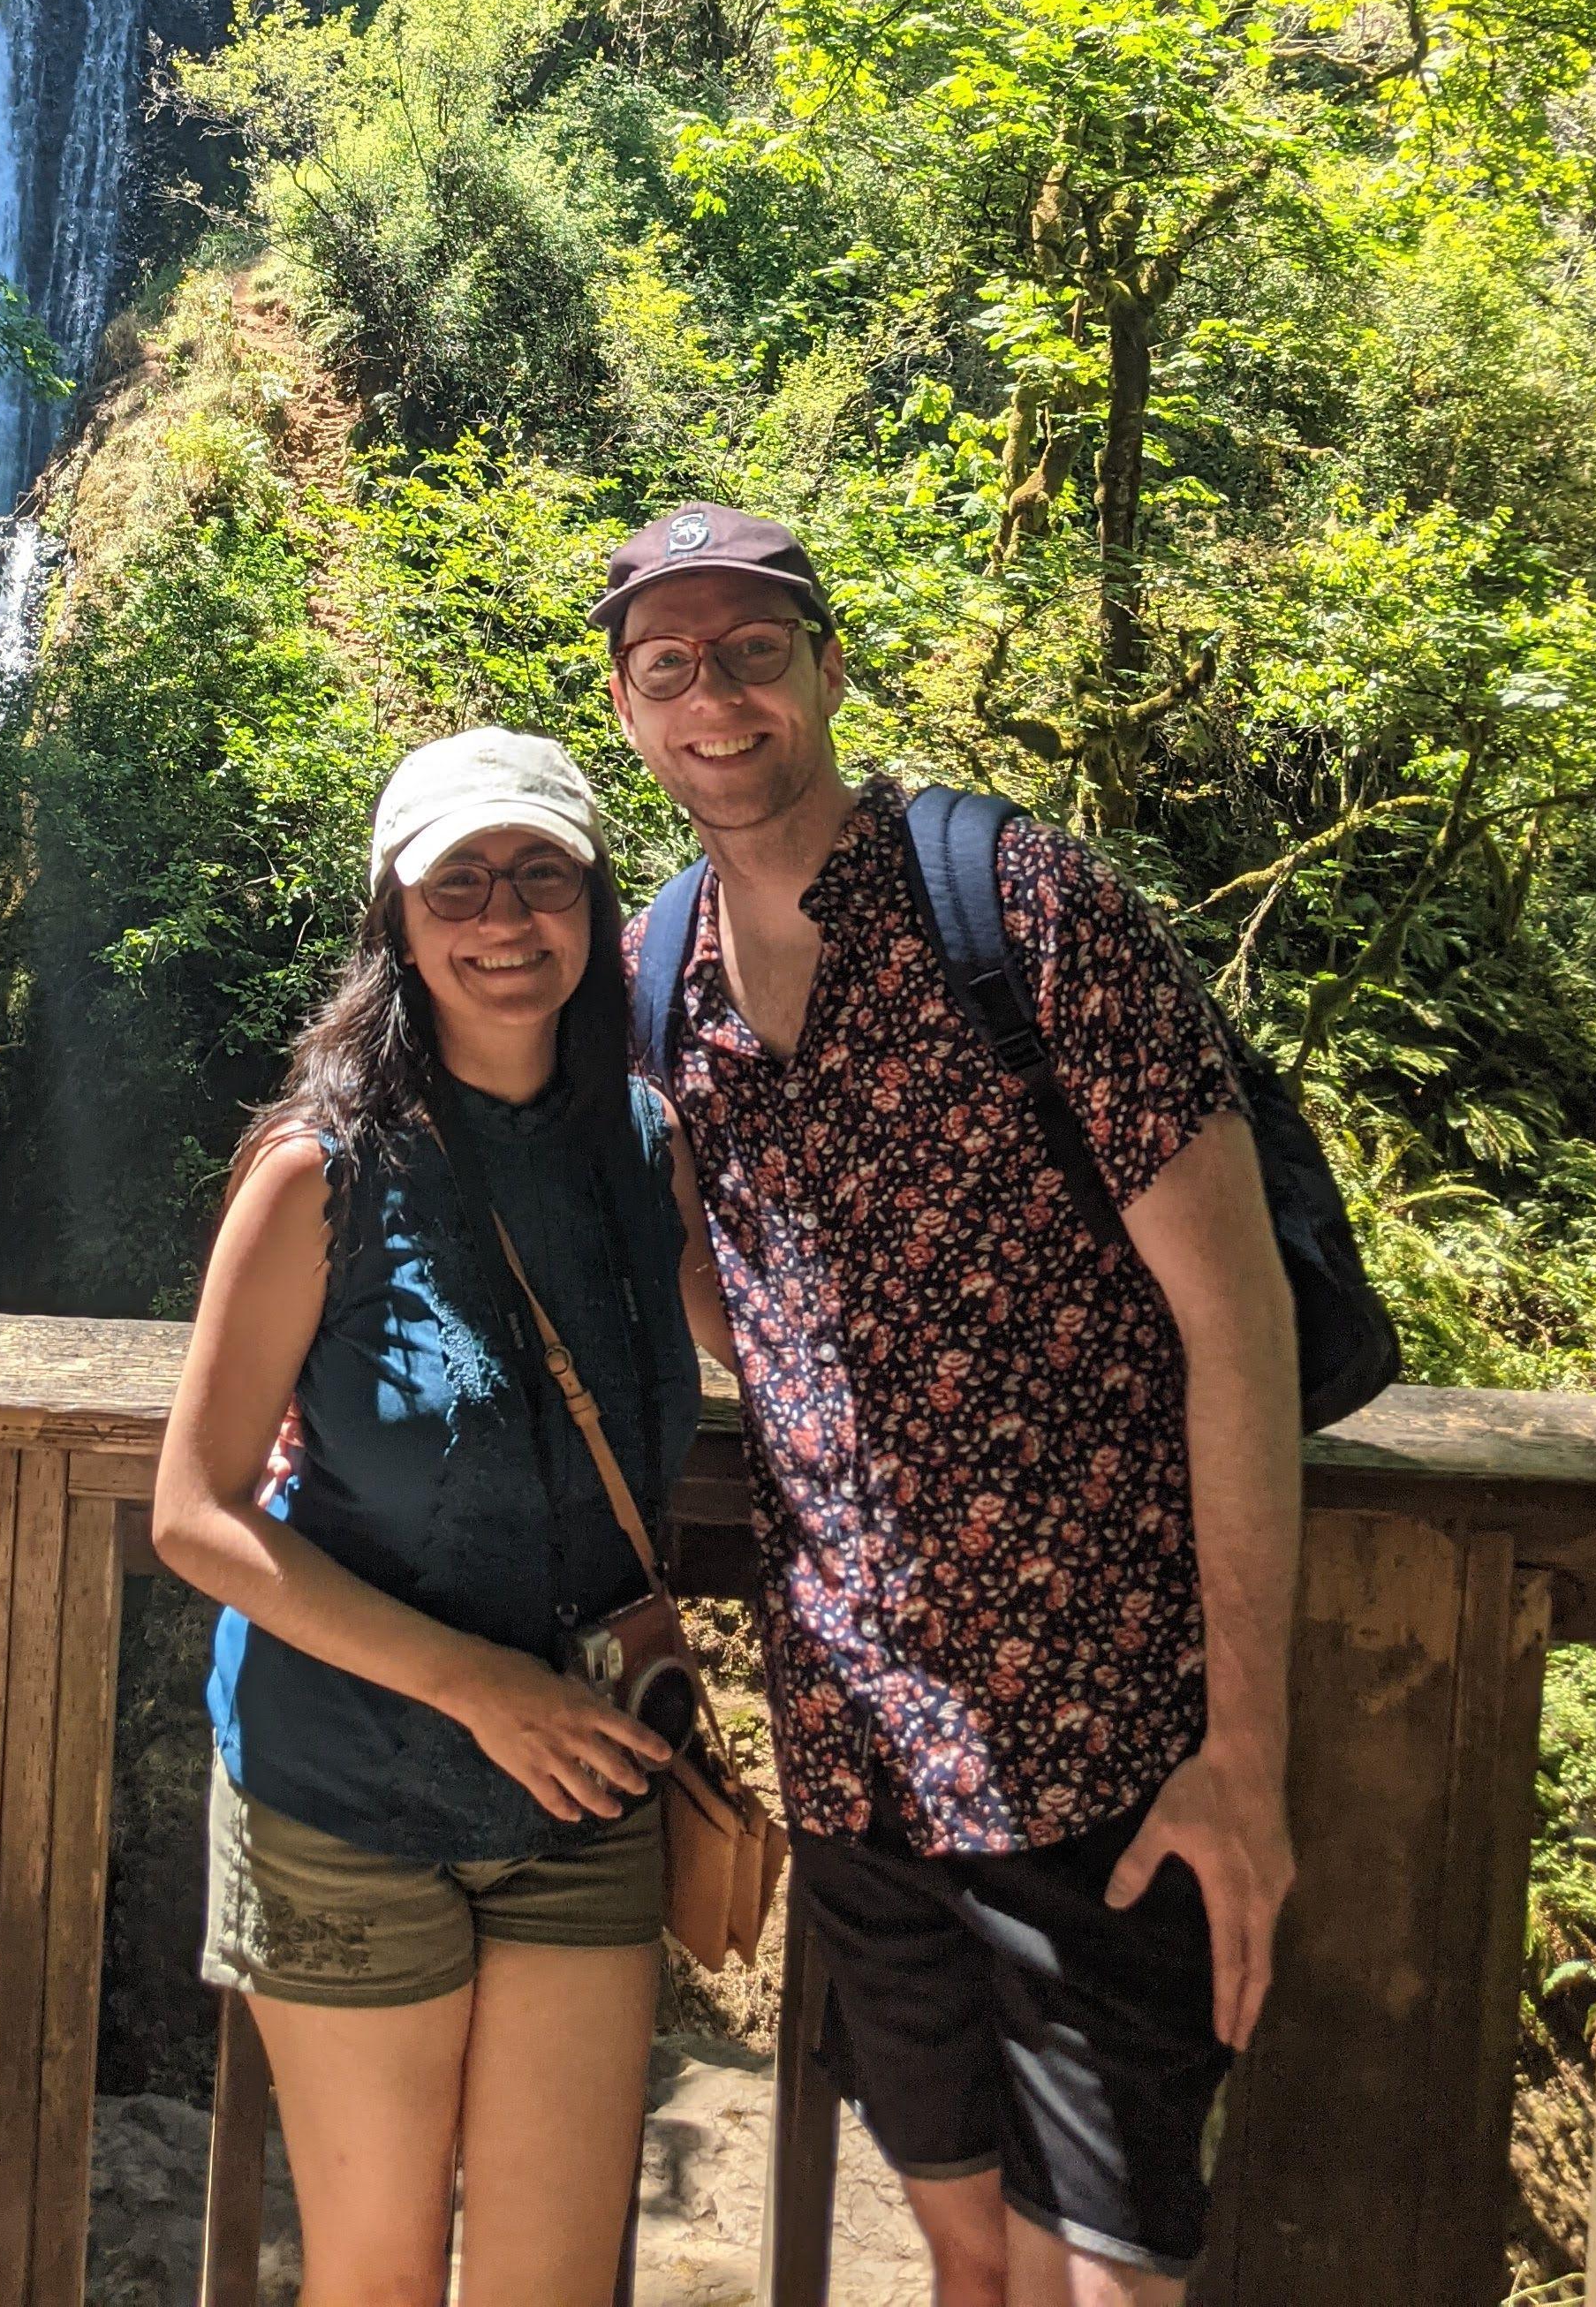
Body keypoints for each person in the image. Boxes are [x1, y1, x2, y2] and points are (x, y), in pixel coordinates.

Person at [595, 505, 1304, 2307]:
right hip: (861, 1760)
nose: (716, 698)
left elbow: (1239, 1330)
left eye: (753, 651)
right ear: (626, 710)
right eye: (669, 665)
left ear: (827, 668)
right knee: (966, 2267)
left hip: (1106, 1755)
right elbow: (702, 1269)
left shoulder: (1020, 905)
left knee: (1110, 2283)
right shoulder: (657, 966)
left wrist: (1246, 1759)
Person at [153, 727, 724, 2307]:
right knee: (378, 2277)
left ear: (597, 912)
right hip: (350, 1795)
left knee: (549, 2284)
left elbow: (788, 1347)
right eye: (459, 882)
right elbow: (194, 1515)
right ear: (396, 923)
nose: (503, 916)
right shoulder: (316, 1174)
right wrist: (480, 1688)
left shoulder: (647, 1144)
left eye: (542, 875)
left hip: (584, 1789)